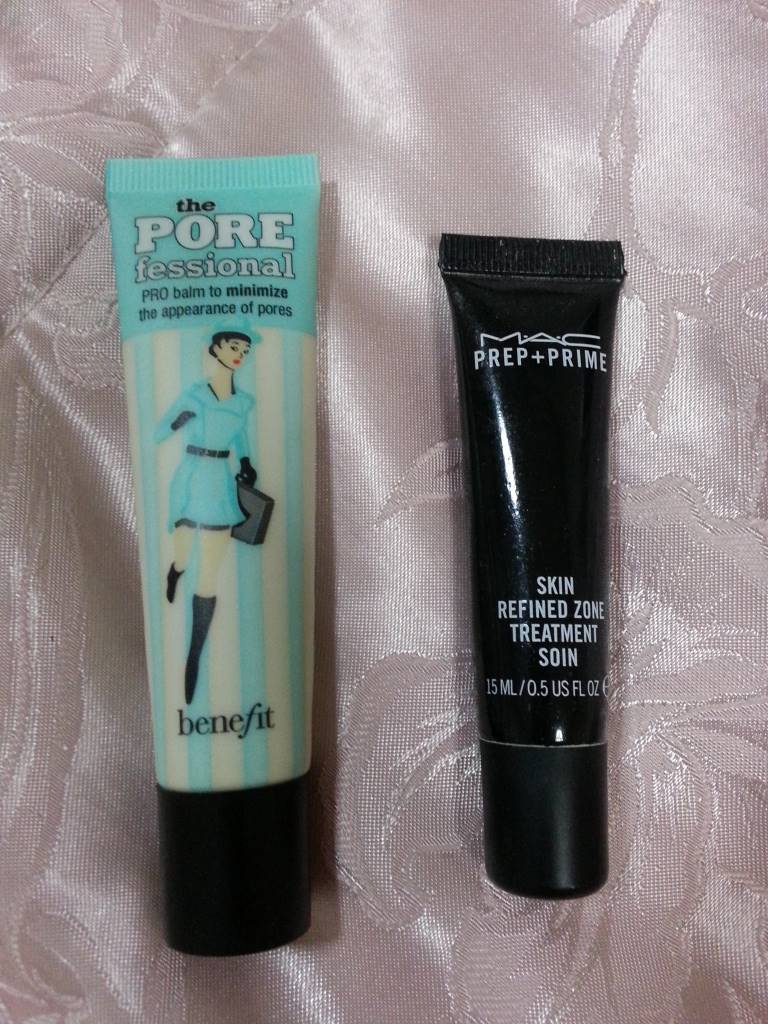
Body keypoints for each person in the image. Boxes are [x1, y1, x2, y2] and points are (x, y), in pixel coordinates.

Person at [155, 330, 256, 703]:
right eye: (233, 347)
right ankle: (175, 570)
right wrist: (176, 422)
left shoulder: (242, 403)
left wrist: (246, 463)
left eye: (244, 349)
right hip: (191, 477)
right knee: (184, 553)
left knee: (210, 572)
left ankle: (194, 655)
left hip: (219, 484)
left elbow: (240, 438)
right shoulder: (195, 395)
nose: (239, 353)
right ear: (216, 349)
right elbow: (158, 432)